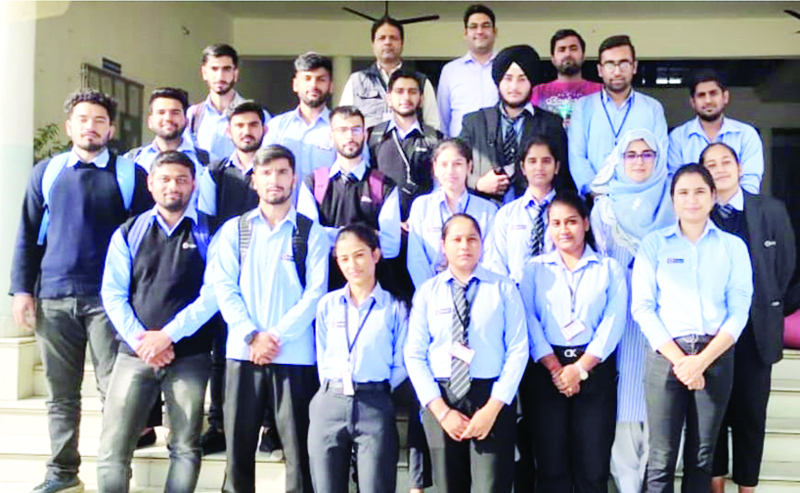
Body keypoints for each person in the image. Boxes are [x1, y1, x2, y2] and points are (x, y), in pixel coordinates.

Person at [10, 89, 152, 493]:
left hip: (110, 302)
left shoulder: (129, 176)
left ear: (111, 128)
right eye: (83, 119)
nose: (91, 126)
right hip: (53, 298)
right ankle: (62, 473)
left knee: (117, 394)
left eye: (100, 120)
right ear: (70, 126)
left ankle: (114, 475)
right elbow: (27, 233)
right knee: (61, 396)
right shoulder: (48, 172)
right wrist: (22, 289)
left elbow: (143, 242)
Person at [211, 145, 330, 493]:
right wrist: (252, 336)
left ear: (294, 178)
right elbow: (224, 288)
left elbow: (315, 294)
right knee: (238, 450)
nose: (274, 180)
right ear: (254, 180)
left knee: (299, 452)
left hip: (294, 357)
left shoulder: (311, 232)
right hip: (242, 354)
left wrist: (275, 336)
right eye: (266, 173)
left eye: (281, 172)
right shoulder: (236, 230)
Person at [97, 151, 217, 493]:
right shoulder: (129, 231)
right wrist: (142, 341)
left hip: (190, 355)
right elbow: (112, 293)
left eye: (181, 179)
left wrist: (167, 336)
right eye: (164, 179)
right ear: (150, 184)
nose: (173, 186)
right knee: (113, 448)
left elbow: (213, 295)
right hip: (133, 355)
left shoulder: (210, 230)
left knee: (185, 446)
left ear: (193, 184)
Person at [631, 164, 754, 492]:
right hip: (665, 357)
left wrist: (701, 361)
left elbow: (739, 309)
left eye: (700, 191)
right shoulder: (654, 245)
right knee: (662, 455)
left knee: (702, 455)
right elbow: (642, 307)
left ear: (713, 197)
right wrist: (682, 361)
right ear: (673, 200)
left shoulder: (733, 247)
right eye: (683, 192)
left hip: (715, 356)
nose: (692, 200)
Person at [404, 213, 528, 493]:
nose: (465, 246)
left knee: (491, 486)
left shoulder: (503, 288)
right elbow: (414, 354)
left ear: (482, 244)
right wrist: (441, 411)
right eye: (456, 239)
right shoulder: (427, 292)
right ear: (443, 244)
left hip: (490, 397)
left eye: (472, 239)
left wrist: (493, 408)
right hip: (443, 397)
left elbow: (518, 349)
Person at [699, 143, 796, 493]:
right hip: (709, 335)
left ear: (740, 167)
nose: (720, 168)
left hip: (756, 334)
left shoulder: (770, 210)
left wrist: (769, 308)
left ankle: (747, 489)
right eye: (711, 164)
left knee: (751, 418)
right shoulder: (697, 212)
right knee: (713, 421)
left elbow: (785, 268)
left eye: (726, 161)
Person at [516, 191, 627, 492]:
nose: (564, 230)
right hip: (545, 371)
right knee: (551, 468)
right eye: (556, 223)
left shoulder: (608, 269)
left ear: (586, 224)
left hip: (594, 370)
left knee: (592, 468)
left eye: (571, 222)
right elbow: (528, 320)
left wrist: (579, 369)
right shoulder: (534, 269)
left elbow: (613, 324)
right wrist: (555, 368)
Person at [589, 129, 674, 493]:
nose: (639, 161)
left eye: (647, 154)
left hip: (664, 319)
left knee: (660, 405)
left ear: (658, 160)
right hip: (621, 319)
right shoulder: (603, 208)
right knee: (624, 402)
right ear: (619, 160)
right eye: (631, 155)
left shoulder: (673, 201)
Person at [308, 224, 407, 493]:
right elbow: (322, 351)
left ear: (376, 254)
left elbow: (401, 360)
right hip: (330, 401)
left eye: (359, 255)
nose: (352, 264)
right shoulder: (327, 304)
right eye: (344, 258)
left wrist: (376, 388)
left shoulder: (394, 306)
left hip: (374, 403)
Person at [196, 100, 270, 457]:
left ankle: (271, 426)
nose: (246, 131)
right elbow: (206, 224)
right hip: (228, 270)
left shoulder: (274, 168)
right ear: (229, 131)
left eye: (253, 125)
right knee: (221, 350)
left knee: (271, 345)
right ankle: (218, 423)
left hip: (268, 269)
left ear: (264, 129)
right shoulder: (214, 172)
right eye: (239, 126)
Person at [297, 106, 402, 289]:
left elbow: (392, 246)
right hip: (325, 289)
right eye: (342, 130)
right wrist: (368, 236)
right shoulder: (313, 184)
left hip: (373, 291)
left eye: (356, 129)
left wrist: (329, 234)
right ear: (331, 136)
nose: (350, 136)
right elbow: (308, 239)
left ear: (365, 135)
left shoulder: (384, 185)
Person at [460, 44, 568, 205]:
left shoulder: (551, 123)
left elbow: (562, 177)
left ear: (531, 82)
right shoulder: (475, 122)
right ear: (498, 81)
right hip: (483, 212)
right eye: (508, 78)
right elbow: (454, 165)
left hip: (535, 210)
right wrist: (478, 183)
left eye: (522, 79)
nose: (514, 87)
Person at [569, 35, 668, 197]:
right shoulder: (583, 107)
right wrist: (598, 193)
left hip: (640, 200)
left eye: (623, 63)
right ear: (600, 70)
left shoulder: (652, 108)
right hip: (594, 201)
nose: (617, 71)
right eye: (610, 64)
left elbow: (660, 157)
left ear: (634, 67)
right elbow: (577, 156)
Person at [407, 138, 497, 290]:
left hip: (476, 290)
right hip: (432, 292)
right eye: (444, 164)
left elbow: (490, 258)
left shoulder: (487, 210)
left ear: (469, 167)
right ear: (434, 168)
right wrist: (431, 293)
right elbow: (416, 259)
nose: (450, 171)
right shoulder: (421, 206)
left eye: (457, 164)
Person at [484, 135, 570, 276]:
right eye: (532, 161)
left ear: (557, 167)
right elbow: (497, 264)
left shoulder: (569, 211)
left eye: (546, 161)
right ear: (523, 168)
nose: (539, 167)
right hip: (515, 292)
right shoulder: (506, 214)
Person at [669, 70, 764, 194]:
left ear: (725, 97)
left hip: (738, 211)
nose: (708, 100)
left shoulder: (746, 135)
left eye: (713, 93)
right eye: (701, 95)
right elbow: (675, 183)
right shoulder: (677, 138)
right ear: (693, 102)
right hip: (694, 209)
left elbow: (750, 182)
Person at [339, 16, 440, 131]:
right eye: (382, 38)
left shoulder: (420, 81)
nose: (387, 42)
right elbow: (343, 122)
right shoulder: (357, 81)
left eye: (393, 38)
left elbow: (433, 125)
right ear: (373, 44)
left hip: (409, 147)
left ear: (402, 43)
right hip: (369, 147)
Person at [186, 43, 271, 162]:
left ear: (235, 74)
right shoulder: (193, 115)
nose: (220, 76)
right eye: (214, 69)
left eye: (226, 69)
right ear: (204, 73)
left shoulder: (259, 115)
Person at [262, 52, 337, 185]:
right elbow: (264, 171)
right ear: (295, 85)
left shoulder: (341, 129)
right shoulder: (276, 127)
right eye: (307, 78)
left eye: (321, 79)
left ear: (331, 86)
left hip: (327, 205)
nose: (313, 85)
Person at [437, 4, 499, 137]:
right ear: (465, 33)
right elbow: (443, 119)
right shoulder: (450, 71)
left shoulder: (507, 67)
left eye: (486, 25)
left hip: (500, 151)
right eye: (473, 26)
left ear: (495, 32)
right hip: (461, 150)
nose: (480, 31)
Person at [125, 87, 209, 174]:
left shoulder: (206, 162)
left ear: (186, 120)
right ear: (150, 121)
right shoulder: (132, 161)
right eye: (161, 112)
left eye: (175, 112)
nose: (168, 118)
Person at [530, 29, 602, 127]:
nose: (567, 54)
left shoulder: (601, 90)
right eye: (562, 49)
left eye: (573, 48)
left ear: (583, 56)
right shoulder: (538, 92)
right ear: (553, 59)